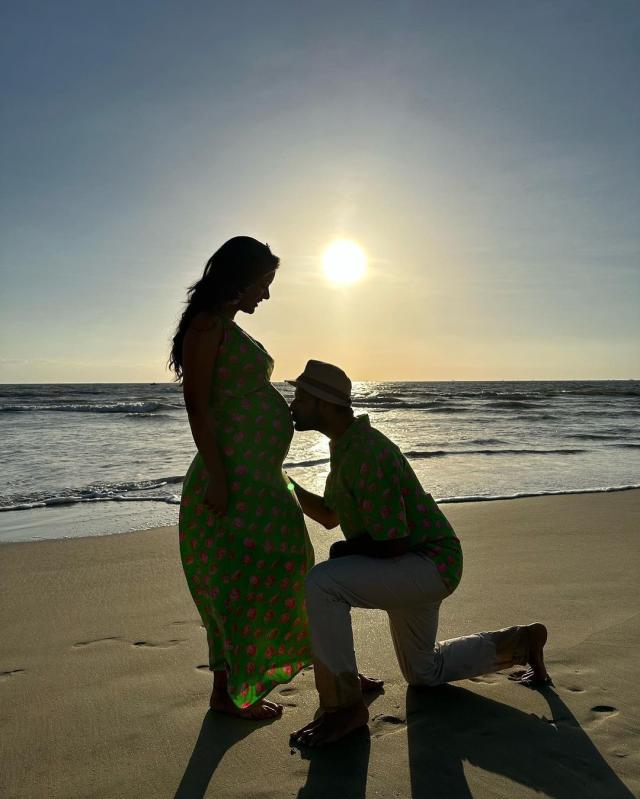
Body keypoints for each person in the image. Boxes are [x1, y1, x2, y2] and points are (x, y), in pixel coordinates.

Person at [286, 360, 550, 746]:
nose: (292, 405)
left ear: (323, 403)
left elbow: (392, 541)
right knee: (424, 673)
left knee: (322, 584)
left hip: (427, 564)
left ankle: (344, 707)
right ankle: (521, 642)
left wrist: (344, 549)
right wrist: (285, 484)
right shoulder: (345, 446)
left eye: (299, 397)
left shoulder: (367, 452)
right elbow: (329, 515)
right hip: (414, 564)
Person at [169, 236, 315, 721]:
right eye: (263, 283)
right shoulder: (207, 326)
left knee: (281, 568)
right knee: (238, 584)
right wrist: (218, 477)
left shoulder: (226, 325)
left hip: (256, 478)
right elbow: (197, 406)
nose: (266, 295)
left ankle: (262, 679)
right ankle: (230, 693)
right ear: (240, 278)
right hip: (231, 480)